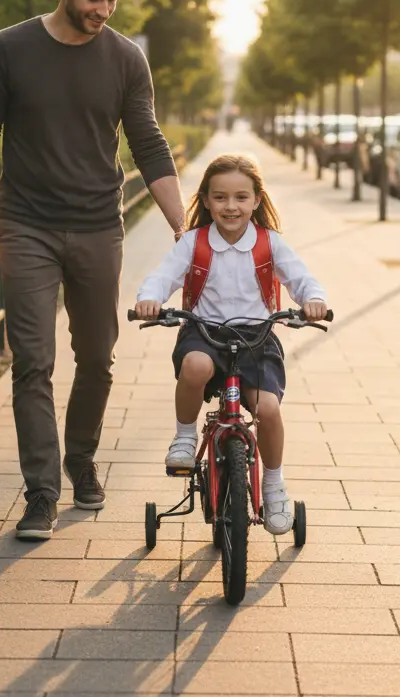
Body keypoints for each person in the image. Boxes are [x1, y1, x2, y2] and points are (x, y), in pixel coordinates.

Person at [0, 0, 185, 541]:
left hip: (97, 225)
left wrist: (183, 227)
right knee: (33, 361)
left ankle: (80, 456)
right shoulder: (9, 49)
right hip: (27, 224)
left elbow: (149, 143)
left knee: (97, 357)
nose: (104, 10)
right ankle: (41, 494)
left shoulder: (124, 59)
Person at [133, 154, 327, 535]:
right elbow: (162, 277)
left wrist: (313, 301)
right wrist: (149, 299)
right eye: (220, 197)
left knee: (267, 409)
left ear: (257, 200)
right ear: (205, 200)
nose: (230, 206)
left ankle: (273, 486)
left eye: (241, 197)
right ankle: (185, 438)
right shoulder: (194, 242)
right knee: (196, 368)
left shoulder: (270, 243)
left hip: (256, 337)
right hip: (203, 332)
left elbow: (302, 279)